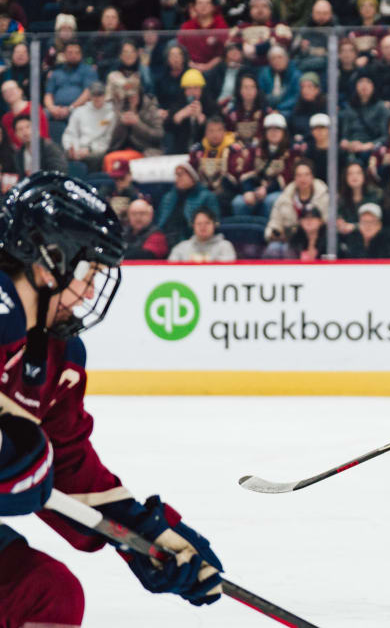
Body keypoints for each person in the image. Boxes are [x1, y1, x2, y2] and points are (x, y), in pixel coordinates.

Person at [0, 171, 224, 627]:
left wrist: (144, 533)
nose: (86, 292)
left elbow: (67, 464)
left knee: (49, 595)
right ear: (48, 261)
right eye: (87, 273)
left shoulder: (56, 354)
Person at [265, 160, 329, 253]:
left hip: (317, 240)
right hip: (290, 239)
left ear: (312, 176)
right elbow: (275, 221)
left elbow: (328, 221)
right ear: (294, 178)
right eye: (299, 175)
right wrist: (273, 233)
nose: (303, 179)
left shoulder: (324, 196)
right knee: (274, 249)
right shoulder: (284, 198)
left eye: (306, 174)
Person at [190, 116, 252, 210]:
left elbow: (236, 177)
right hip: (202, 189)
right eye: (211, 131)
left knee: (212, 199)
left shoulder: (234, 150)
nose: (215, 134)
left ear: (224, 132)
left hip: (227, 190)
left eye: (219, 130)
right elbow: (191, 172)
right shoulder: (198, 150)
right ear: (205, 133)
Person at [157, 162, 221, 244]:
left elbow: (215, 222)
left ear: (192, 177)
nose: (177, 178)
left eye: (181, 175)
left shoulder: (207, 197)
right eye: (176, 175)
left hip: (191, 239)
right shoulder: (168, 197)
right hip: (165, 239)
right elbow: (159, 221)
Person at [62, 82, 115, 173]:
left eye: (100, 94)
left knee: (95, 158)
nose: (97, 98)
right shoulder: (79, 111)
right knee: (62, 157)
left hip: (97, 149)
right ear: (90, 96)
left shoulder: (111, 113)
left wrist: (90, 149)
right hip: (78, 147)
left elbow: (107, 139)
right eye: (94, 95)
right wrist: (73, 149)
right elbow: (70, 133)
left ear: (105, 95)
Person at [168, 207, 237, 262]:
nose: (203, 227)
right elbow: (170, 269)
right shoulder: (181, 247)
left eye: (207, 223)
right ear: (193, 226)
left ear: (215, 225)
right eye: (199, 224)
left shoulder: (225, 246)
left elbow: (227, 271)